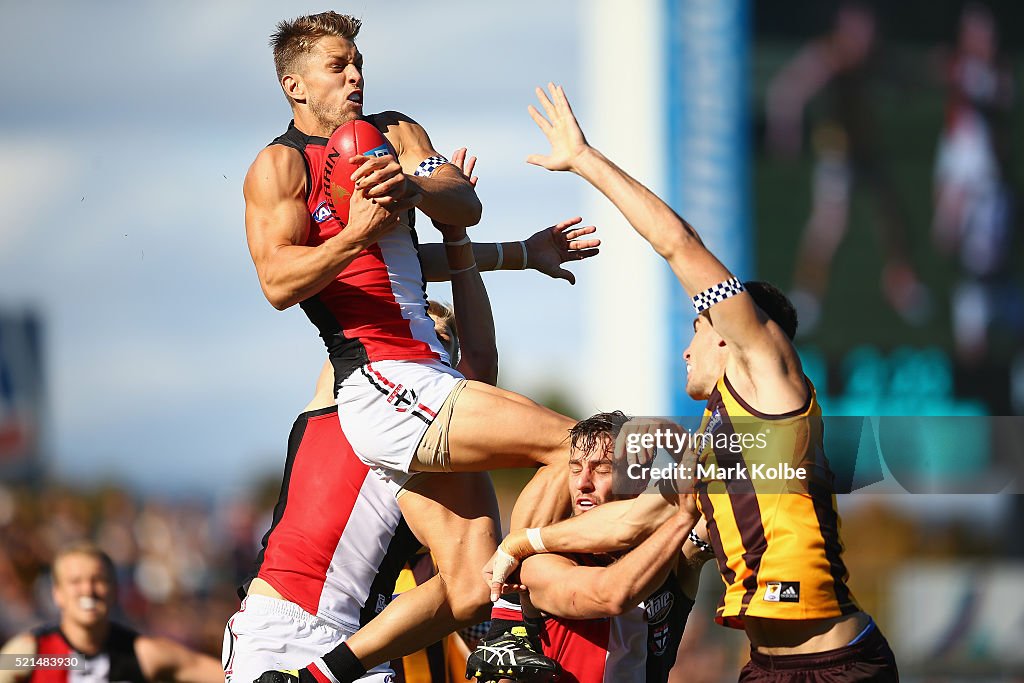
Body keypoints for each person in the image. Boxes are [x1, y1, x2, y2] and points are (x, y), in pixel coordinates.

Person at [486, 83, 899, 681]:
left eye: (698, 327)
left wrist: (584, 159)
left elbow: (678, 244)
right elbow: (630, 521)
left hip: (836, 665)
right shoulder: (715, 442)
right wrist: (524, 543)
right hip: (765, 668)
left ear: (735, 334)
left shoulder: (769, 377)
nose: (687, 346)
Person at [245, 12, 601, 681]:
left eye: (358, 62)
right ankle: (511, 630)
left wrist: (412, 188)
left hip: (426, 375)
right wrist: (354, 233)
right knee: (577, 443)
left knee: (466, 583)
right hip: (379, 377)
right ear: (294, 84)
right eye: (336, 65)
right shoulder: (279, 166)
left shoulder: (395, 132)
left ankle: (318, 676)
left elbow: (462, 203)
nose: (355, 75)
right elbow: (276, 281)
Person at [472, 411, 715, 683]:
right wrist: (682, 517)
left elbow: (736, 478)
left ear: (638, 480)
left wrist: (672, 434)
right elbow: (610, 595)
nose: (582, 483)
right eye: (575, 468)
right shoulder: (540, 562)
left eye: (602, 469)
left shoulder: (675, 552)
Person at [765, 1, 929, 333]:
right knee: (831, 225)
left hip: (866, 147)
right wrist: (786, 131)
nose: (865, 38)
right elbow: (786, 90)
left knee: (892, 216)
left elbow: (903, 76)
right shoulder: (829, 56)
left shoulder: (872, 56)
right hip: (837, 151)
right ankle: (807, 295)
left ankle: (901, 284)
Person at [0, 543, 223, 683]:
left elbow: (228, 676)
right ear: (57, 594)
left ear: (115, 590)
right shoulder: (32, 653)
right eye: (75, 582)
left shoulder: (140, 653)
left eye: (98, 580)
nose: (88, 589)